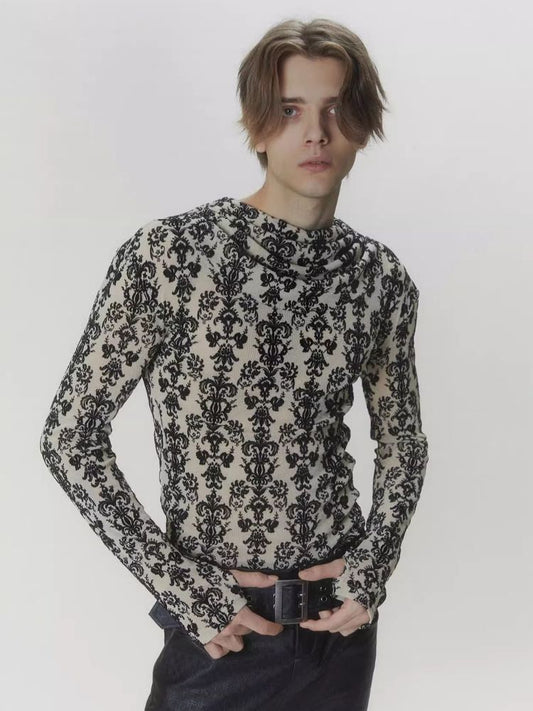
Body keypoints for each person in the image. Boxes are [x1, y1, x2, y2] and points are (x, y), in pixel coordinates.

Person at [39, 16, 429, 711]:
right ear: (257, 126)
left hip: (336, 637)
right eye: (291, 110)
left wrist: (371, 569)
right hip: (220, 636)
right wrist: (185, 589)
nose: (316, 133)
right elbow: (70, 437)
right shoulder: (170, 257)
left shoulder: (380, 278)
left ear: (364, 125)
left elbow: (403, 443)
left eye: (336, 109)